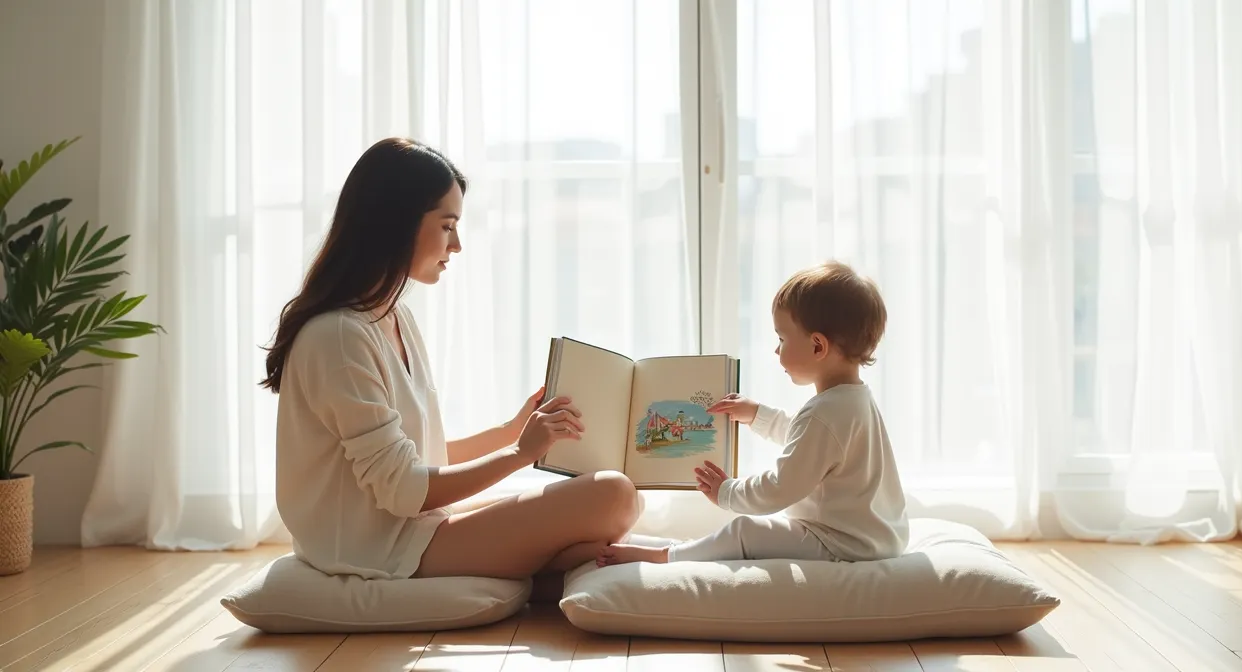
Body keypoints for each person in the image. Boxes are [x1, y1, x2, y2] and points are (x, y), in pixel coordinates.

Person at [260, 137, 640, 590]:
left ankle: (552, 566)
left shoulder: (393, 316)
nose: (456, 244)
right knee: (611, 494)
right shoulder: (338, 336)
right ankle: (549, 566)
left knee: (614, 497)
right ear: (396, 223)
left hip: (413, 528)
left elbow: (419, 459)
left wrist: (511, 432)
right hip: (373, 549)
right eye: (447, 225)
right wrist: (521, 454)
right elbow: (403, 491)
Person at [598, 261, 909, 565]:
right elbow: (807, 439)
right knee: (749, 532)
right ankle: (680, 549)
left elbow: (780, 488)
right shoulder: (854, 400)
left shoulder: (826, 412)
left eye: (782, 338)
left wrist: (727, 492)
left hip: (842, 544)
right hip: (874, 539)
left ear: (817, 347)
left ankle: (665, 556)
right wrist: (757, 414)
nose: (776, 350)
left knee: (744, 532)